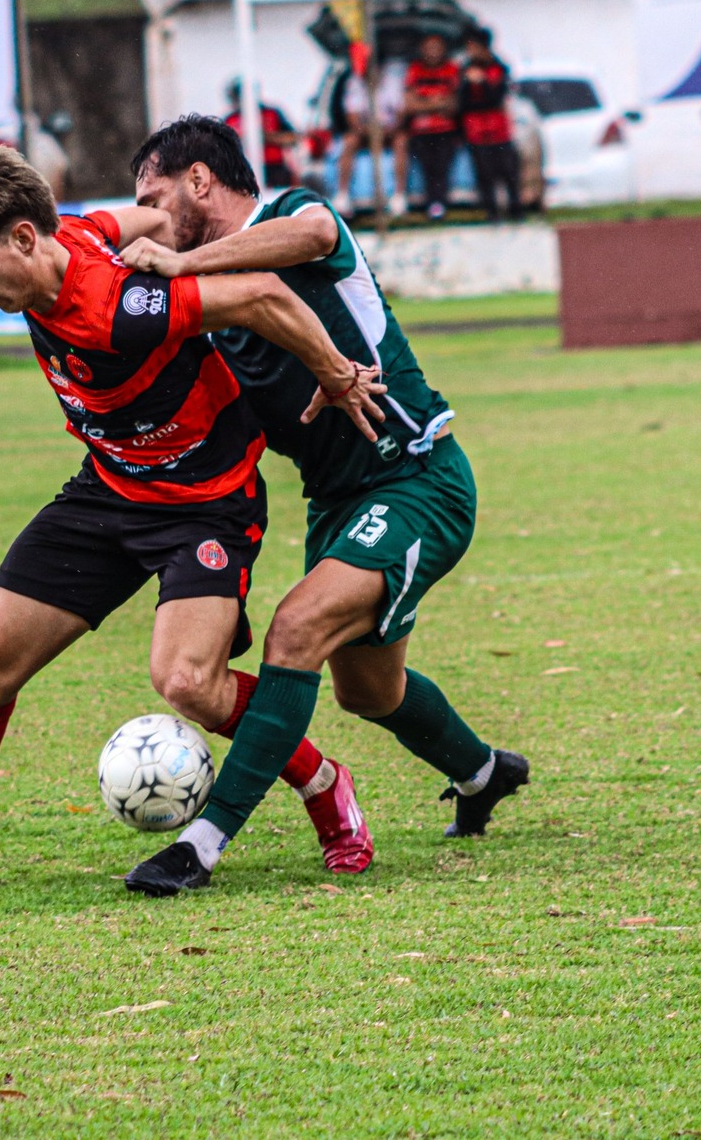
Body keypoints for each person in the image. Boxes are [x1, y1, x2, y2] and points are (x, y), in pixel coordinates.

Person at [0, 147, 384, 897]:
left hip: (204, 500)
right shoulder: (74, 232)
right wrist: (162, 231)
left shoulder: (118, 307)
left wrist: (336, 375)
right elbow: (145, 216)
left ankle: (323, 780)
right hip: (107, 490)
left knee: (188, 685)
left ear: (22, 239)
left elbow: (264, 295)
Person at [120, 115, 529, 893]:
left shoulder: (295, 212)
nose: (149, 212)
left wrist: (178, 260)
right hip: (338, 502)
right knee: (367, 689)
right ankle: (483, 773)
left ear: (199, 180)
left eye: (155, 194)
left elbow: (307, 240)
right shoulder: (217, 309)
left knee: (297, 627)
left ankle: (200, 845)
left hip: (419, 479)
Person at [459, 29, 523, 223]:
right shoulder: (465, 70)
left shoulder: (500, 68)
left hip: (499, 130)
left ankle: (516, 209)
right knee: (484, 174)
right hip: (476, 131)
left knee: (508, 172)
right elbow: (463, 102)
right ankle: (492, 212)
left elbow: (496, 98)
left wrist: (483, 83)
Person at [324, 62, 404, 216]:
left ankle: (399, 195)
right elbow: (352, 119)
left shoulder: (392, 83)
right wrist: (370, 132)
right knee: (349, 141)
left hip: (388, 132)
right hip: (365, 133)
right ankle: (342, 194)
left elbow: (400, 116)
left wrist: (385, 131)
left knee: (401, 141)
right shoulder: (355, 84)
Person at [395, 35, 461, 220]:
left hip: (445, 130)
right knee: (427, 167)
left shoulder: (451, 69)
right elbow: (410, 105)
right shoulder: (415, 70)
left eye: (436, 47)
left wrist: (424, 102)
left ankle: (439, 203)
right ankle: (431, 203)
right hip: (421, 131)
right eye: (429, 48)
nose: (433, 52)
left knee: (442, 166)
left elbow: (453, 104)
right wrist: (437, 103)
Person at [224, 79, 298, 191]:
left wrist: (264, 137)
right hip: (243, 172)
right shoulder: (230, 120)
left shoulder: (272, 113)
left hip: (275, 170)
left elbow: (293, 138)